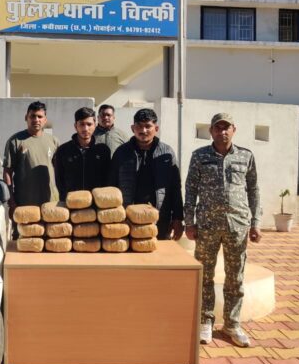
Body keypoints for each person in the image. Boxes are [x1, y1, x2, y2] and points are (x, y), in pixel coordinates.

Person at [185, 113, 262, 348]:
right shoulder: (200, 156)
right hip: (207, 226)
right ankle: (205, 321)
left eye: (226, 128)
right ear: (211, 131)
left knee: (235, 277)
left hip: (237, 226)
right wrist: (189, 222)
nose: (222, 132)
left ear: (234, 130)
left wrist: (256, 223)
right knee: (205, 275)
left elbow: (254, 190)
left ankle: (232, 324)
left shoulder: (246, 156)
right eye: (218, 128)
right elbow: (190, 189)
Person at [109, 108, 183, 240]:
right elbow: (112, 187)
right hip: (128, 217)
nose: (143, 130)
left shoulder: (167, 153)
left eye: (148, 126)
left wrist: (178, 218)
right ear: (133, 128)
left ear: (156, 128)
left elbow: (175, 187)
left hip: (160, 218)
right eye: (139, 126)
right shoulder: (121, 153)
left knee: (158, 251)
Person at [3, 101, 60, 218]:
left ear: (45, 120)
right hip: (24, 203)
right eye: (32, 116)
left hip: (50, 202)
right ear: (26, 117)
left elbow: (60, 171)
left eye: (40, 116)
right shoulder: (15, 141)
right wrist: (11, 201)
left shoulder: (54, 141)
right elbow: (7, 172)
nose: (36, 120)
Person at [53, 107, 111, 201]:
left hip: (96, 203)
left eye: (89, 124)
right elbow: (59, 181)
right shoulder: (63, 150)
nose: (85, 128)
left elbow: (107, 179)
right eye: (82, 124)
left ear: (95, 125)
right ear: (75, 126)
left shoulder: (103, 150)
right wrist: (66, 199)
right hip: (72, 203)